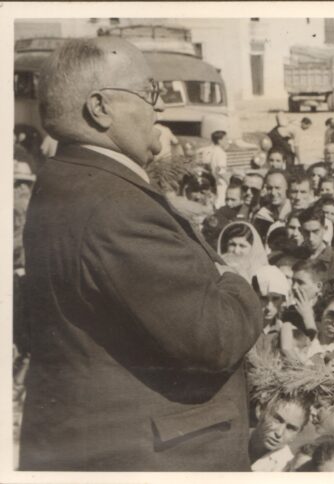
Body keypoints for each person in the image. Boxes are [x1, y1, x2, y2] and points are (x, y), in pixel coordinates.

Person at [20, 37, 262, 471]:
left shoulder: (64, 179)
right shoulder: (117, 206)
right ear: (100, 108)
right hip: (159, 456)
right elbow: (217, 336)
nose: (160, 108)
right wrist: (236, 274)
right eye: (150, 93)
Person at [249, 396, 311, 471]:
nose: (279, 433)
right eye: (277, 419)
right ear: (260, 410)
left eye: (290, 428)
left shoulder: (286, 468)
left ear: (298, 433)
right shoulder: (233, 437)